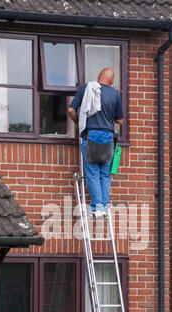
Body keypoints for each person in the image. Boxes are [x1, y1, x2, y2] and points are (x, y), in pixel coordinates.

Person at [68, 68, 124, 219]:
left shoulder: (87, 88)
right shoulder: (114, 94)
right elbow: (120, 120)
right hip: (107, 137)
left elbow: (71, 110)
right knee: (105, 174)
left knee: (92, 173)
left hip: (91, 135)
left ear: (99, 77)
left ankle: (97, 207)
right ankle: (104, 206)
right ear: (111, 82)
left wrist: (79, 123)